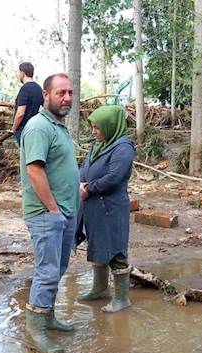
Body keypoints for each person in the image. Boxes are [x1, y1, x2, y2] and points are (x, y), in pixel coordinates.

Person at [19, 73, 80, 353]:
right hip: (46, 214)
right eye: (60, 93)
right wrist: (54, 210)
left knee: (58, 270)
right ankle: (36, 332)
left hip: (64, 213)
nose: (67, 98)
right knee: (46, 272)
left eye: (70, 92)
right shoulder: (38, 127)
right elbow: (34, 170)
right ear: (46, 96)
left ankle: (48, 316)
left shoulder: (59, 126)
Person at [75, 105, 136, 313]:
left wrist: (89, 188)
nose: (94, 131)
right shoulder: (98, 144)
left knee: (115, 249)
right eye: (92, 127)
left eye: (97, 127)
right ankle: (100, 290)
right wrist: (80, 183)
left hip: (111, 207)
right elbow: (85, 167)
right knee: (98, 245)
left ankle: (122, 298)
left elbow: (114, 177)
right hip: (93, 206)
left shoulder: (123, 148)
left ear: (110, 126)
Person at [10, 62, 44, 145]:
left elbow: (20, 113)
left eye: (19, 73)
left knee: (26, 156)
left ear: (22, 73)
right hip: (37, 129)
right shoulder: (39, 89)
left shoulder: (25, 89)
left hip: (24, 130)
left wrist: (14, 129)